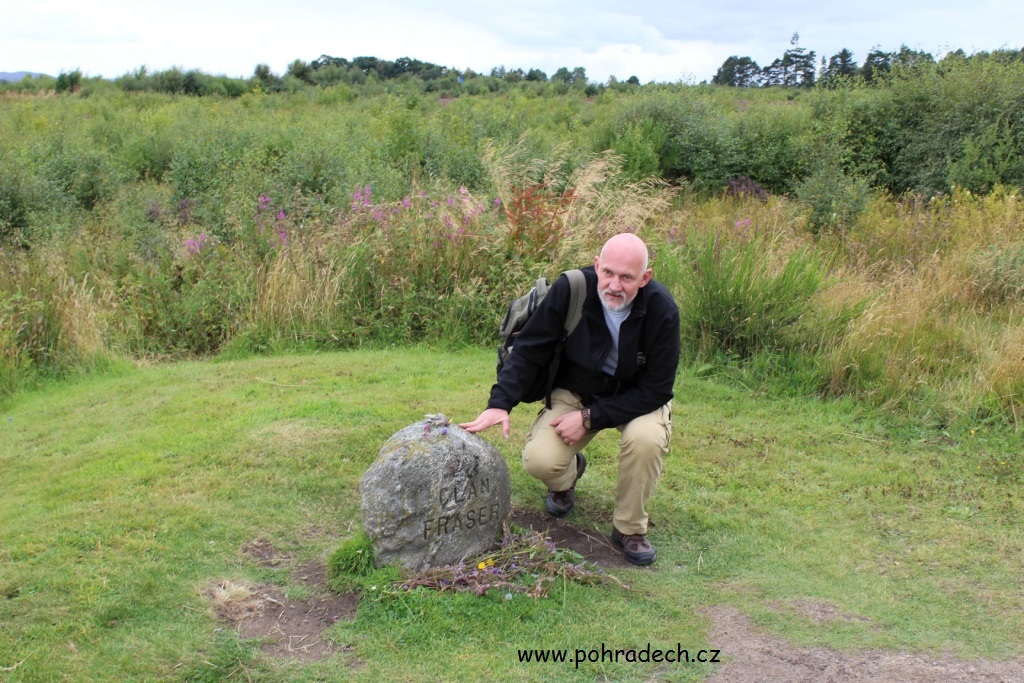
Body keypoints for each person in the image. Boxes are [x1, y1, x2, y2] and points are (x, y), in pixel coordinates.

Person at [459, 233, 680, 565]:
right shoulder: (571, 288)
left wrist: (590, 418)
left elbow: (657, 390)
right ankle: (568, 476)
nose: (614, 285)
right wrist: (500, 402)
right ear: (596, 266)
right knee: (540, 460)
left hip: (637, 399)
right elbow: (530, 349)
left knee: (646, 438)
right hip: (576, 390)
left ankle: (629, 529)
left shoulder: (662, 311)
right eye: (608, 273)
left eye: (627, 277)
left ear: (644, 278)